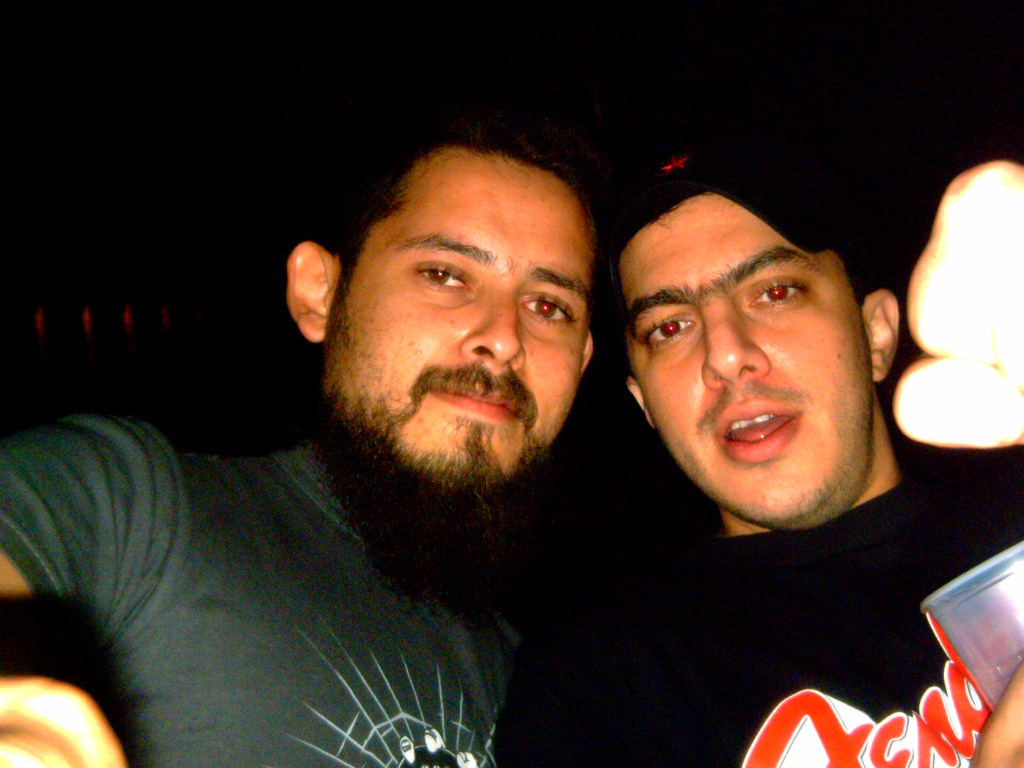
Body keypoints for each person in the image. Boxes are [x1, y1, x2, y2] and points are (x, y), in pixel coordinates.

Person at [0, 108, 606, 767]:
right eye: (445, 274)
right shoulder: (131, 507)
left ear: (581, 362)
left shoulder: (547, 689)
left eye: (550, 307)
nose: (504, 338)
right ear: (320, 293)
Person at [494, 140, 1024, 767]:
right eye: (670, 327)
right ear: (645, 406)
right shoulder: (595, 686)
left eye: (775, 292)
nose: (724, 355)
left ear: (876, 333)